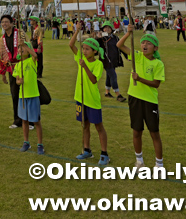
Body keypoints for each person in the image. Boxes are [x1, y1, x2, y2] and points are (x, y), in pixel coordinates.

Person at [116, 26, 165, 168]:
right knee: (136, 130)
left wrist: (140, 79)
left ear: (155, 48)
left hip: (149, 101)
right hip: (134, 98)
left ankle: (159, 165)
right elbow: (119, 45)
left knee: (154, 133)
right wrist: (128, 33)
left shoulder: (157, 63)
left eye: (148, 43)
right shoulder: (136, 56)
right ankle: (139, 161)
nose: (144, 45)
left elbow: (156, 84)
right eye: (143, 42)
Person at [69, 22, 109, 165]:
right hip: (80, 98)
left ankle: (104, 153)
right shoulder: (81, 57)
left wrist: (84, 66)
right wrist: (77, 30)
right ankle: (87, 150)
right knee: (84, 125)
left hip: (92, 100)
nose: (84, 51)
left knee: (98, 126)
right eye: (83, 48)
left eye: (87, 49)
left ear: (95, 51)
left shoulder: (98, 64)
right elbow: (71, 45)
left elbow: (93, 80)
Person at [14, 41, 43, 154]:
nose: (21, 51)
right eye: (20, 49)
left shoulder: (31, 61)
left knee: (36, 121)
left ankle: (40, 144)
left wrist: (25, 45)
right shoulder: (17, 65)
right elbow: (16, 80)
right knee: (24, 121)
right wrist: (18, 82)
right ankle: (26, 142)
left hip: (33, 95)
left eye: (24, 49)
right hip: (23, 96)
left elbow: (35, 55)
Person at [0, 15, 24, 130]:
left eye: (7, 22)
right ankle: (17, 120)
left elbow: (27, 47)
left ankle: (29, 121)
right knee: (14, 94)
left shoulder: (20, 34)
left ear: (12, 23)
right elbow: (1, 55)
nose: (4, 24)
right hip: (11, 69)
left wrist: (22, 44)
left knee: (26, 94)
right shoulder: (1, 39)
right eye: (2, 22)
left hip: (22, 67)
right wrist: (2, 73)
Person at [98, 20, 126, 102]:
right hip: (105, 60)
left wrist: (127, 56)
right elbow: (95, 45)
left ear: (111, 29)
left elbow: (121, 47)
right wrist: (98, 38)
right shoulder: (101, 39)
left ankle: (107, 92)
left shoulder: (115, 38)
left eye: (108, 27)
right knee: (113, 76)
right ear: (102, 29)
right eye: (105, 27)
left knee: (109, 76)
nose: (107, 29)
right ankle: (118, 95)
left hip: (114, 60)